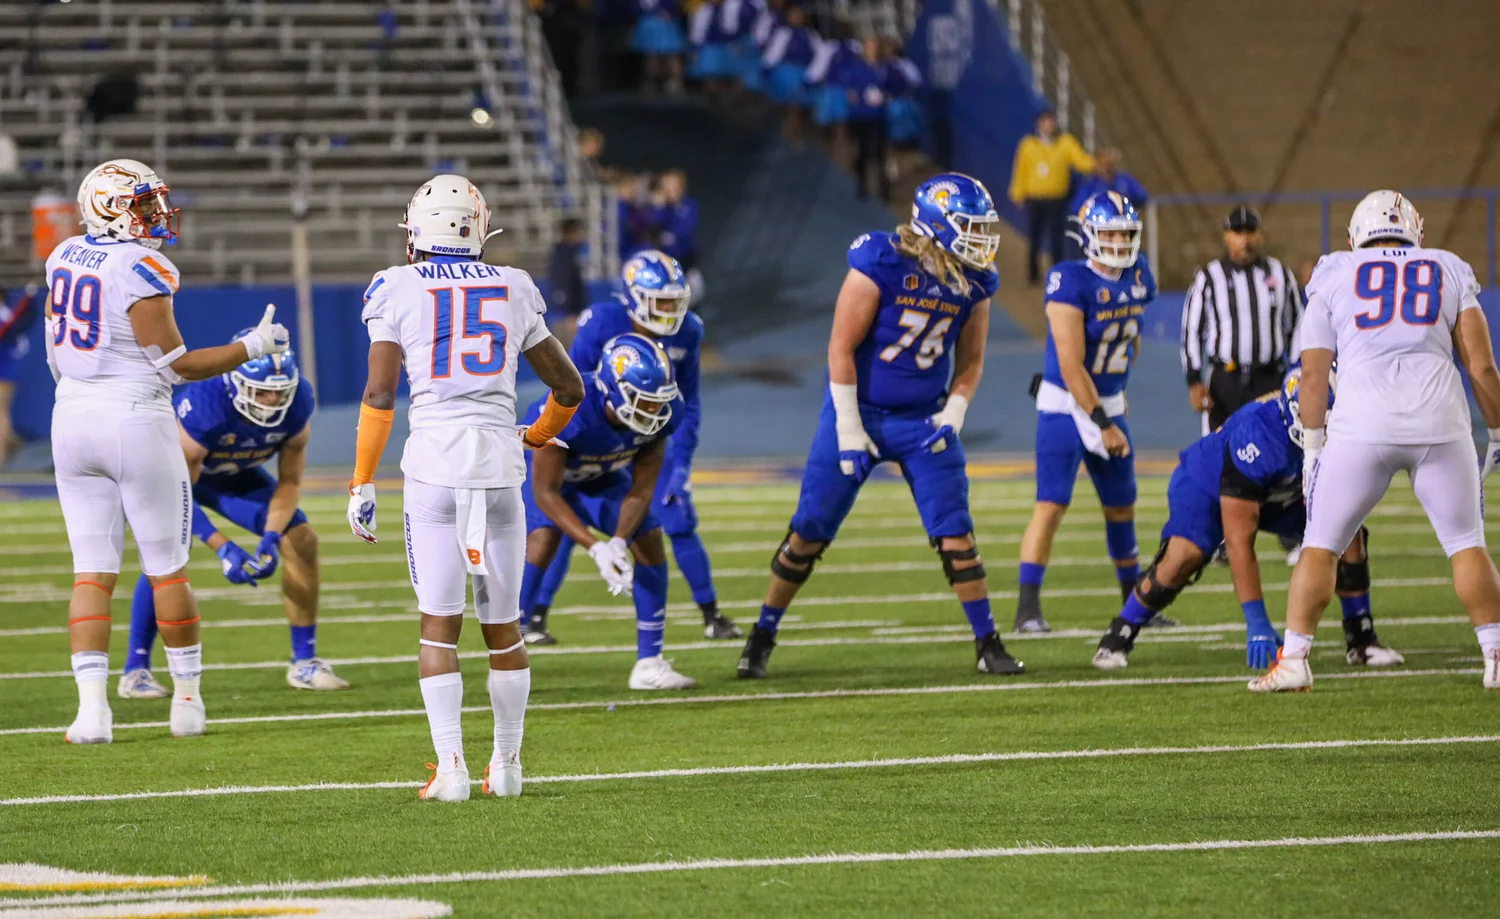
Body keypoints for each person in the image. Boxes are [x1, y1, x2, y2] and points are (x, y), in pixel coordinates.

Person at [346, 174, 586, 801]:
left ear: (417, 232)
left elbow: (379, 393)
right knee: (504, 626)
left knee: (438, 627)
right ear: (477, 229)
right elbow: (569, 389)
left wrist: (361, 478)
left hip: (434, 468)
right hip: (500, 467)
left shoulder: (395, 285)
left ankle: (451, 769)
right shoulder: (514, 285)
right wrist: (536, 435)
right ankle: (507, 767)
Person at [738, 173, 1025, 679]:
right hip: (860, 411)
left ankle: (988, 643)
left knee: (956, 533)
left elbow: (972, 362)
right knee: (808, 532)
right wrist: (849, 426)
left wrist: (955, 412)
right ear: (936, 223)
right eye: (970, 225)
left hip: (922, 420)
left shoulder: (976, 279)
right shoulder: (881, 260)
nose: (981, 237)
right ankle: (762, 634)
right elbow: (840, 348)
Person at [47, 157, 290, 744]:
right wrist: (252, 346)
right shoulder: (141, 265)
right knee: (165, 568)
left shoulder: (63, 254)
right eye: (143, 204)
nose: (156, 213)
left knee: (92, 573)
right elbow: (178, 366)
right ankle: (186, 702)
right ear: (110, 208)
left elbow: (58, 354)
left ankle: (92, 714)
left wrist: (81, 395)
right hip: (133, 417)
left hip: (71, 415)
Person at [1250, 191, 1500, 693]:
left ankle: (1295, 659)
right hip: (1440, 421)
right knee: (1467, 544)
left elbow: (1313, 374)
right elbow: (1481, 366)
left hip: (1361, 424)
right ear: (1416, 231)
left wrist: (1313, 448)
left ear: (1354, 237)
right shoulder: (1448, 267)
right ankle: (1495, 655)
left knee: (1320, 544)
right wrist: (1496, 430)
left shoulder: (1335, 271)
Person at [1091, 365, 1404, 670]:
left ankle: (1361, 638)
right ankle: (1119, 635)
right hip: (1208, 483)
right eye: (1320, 420)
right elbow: (1239, 542)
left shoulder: (1341, 426)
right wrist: (1256, 622)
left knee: (1347, 532)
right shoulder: (1259, 437)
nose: (1325, 429)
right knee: (1184, 556)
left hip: (1283, 487)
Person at [524, 251, 738, 644]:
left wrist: (681, 463)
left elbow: (687, 401)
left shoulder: (688, 332)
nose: (671, 311)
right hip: (597, 429)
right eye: (662, 302)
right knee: (555, 523)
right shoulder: (603, 323)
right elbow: (573, 387)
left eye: (675, 301)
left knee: (671, 516)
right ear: (635, 297)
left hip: (649, 427)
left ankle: (708, 615)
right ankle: (532, 617)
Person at [116, 343, 349, 700]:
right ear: (237, 384)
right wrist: (223, 547)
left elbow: (290, 482)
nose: (272, 401)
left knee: (301, 539)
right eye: (262, 392)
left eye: (279, 392)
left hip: (235, 476)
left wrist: (271, 537)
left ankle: (304, 661)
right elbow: (177, 494)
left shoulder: (298, 402)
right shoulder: (206, 406)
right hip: (174, 478)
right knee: (166, 556)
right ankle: (136, 669)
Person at [518, 333, 698, 690]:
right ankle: (511, 641)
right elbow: (546, 493)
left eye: (658, 401)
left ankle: (649, 664)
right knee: (543, 538)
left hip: (598, 477)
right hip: (545, 478)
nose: (654, 411)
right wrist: (595, 548)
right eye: (644, 400)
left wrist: (617, 541)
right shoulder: (570, 408)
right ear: (613, 390)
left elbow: (642, 489)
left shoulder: (665, 414)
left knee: (647, 535)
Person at [1016, 192, 1156, 633]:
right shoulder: (1069, 279)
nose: (1119, 241)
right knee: (1051, 505)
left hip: (1107, 402)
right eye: (1110, 233)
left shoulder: (1139, 274)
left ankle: (1135, 606)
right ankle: (1027, 610)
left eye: (1125, 233)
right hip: (1066, 404)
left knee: (1122, 506)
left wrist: (1115, 395)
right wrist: (1103, 422)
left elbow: (1131, 336)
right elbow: (1071, 366)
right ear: (1089, 235)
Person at [1181, 206, 1304, 432]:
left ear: (1261, 235)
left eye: (1250, 232)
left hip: (1270, 379)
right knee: (1220, 448)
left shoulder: (1280, 274)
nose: (1244, 240)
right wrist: (1194, 380)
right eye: (1238, 232)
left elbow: (1297, 324)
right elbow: (1192, 330)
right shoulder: (1209, 277)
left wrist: (1296, 369)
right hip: (1225, 382)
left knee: (1273, 445)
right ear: (1226, 236)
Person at [1009, 110, 1096, 284]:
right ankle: (1033, 274)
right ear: (1038, 125)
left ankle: (1057, 272)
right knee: (1034, 236)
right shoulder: (1028, 145)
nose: (1048, 126)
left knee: (1056, 236)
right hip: (1035, 198)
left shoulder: (1065, 143)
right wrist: (1017, 193)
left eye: (1051, 122)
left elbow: (1081, 161)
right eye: (1045, 122)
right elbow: (1020, 170)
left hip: (1056, 199)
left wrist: (1096, 164)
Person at [0, 283, 42, 467]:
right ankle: (12, 442)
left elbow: (17, 320)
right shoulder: (9, 316)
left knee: (1, 415)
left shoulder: (6, 316)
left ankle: (3, 456)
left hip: (3, 374)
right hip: (7, 372)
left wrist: (28, 298)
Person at [546, 216, 588, 347]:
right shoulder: (563, 254)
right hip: (567, 316)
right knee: (567, 353)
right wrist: (568, 312)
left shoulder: (570, 252)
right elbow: (562, 283)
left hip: (570, 313)